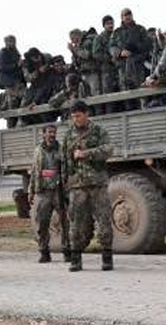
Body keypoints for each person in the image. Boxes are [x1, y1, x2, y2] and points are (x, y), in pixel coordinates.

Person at [61, 101, 114, 271]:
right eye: (73, 116)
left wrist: (87, 153)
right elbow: (64, 160)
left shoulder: (98, 131)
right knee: (76, 223)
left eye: (78, 116)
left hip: (97, 183)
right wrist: (65, 182)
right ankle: (76, 259)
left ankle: (107, 257)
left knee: (104, 220)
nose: (76, 119)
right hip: (77, 185)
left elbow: (108, 149)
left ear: (86, 114)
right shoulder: (68, 135)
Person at [28, 124, 71, 263]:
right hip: (43, 192)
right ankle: (44, 252)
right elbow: (34, 171)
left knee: (65, 222)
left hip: (59, 191)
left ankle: (67, 251)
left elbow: (68, 169)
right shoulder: (38, 150)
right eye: (49, 132)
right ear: (44, 134)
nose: (52, 134)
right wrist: (30, 191)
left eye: (54, 132)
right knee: (42, 223)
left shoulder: (62, 149)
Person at [109, 8, 151, 110]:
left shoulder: (140, 29)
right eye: (125, 15)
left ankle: (144, 111)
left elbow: (147, 44)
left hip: (138, 66)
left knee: (141, 91)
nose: (127, 17)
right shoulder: (117, 32)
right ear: (121, 17)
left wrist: (135, 48)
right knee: (126, 92)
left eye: (129, 14)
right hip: (123, 67)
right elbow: (111, 47)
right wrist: (120, 52)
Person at [0, 35, 25, 112]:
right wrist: (16, 65)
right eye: (10, 41)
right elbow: (0, 67)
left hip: (19, 81)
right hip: (10, 83)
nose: (12, 43)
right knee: (12, 103)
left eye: (14, 41)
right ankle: (13, 119)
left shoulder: (16, 52)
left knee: (24, 99)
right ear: (6, 42)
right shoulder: (3, 53)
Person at [70, 29, 100, 99]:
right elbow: (76, 62)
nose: (72, 41)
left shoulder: (87, 42)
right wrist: (73, 52)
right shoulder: (77, 46)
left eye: (72, 38)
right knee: (86, 95)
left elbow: (87, 55)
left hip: (92, 72)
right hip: (83, 73)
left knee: (95, 93)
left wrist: (75, 50)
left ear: (77, 36)